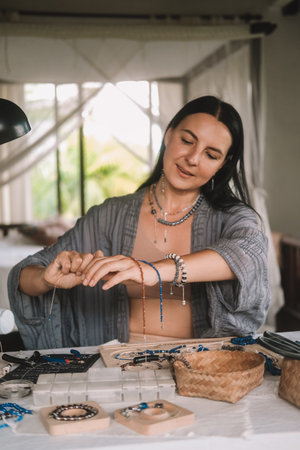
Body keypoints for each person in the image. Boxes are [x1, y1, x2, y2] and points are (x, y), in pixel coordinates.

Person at [8, 95, 270, 350]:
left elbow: (248, 256)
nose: (193, 158)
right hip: (115, 365)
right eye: (187, 140)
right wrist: (46, 278)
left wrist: (150, 270)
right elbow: (24, 275)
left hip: (201, 366)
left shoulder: (232, 217)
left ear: (222, 165)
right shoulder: (109, 215)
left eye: (211, 155)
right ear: (168, 135)